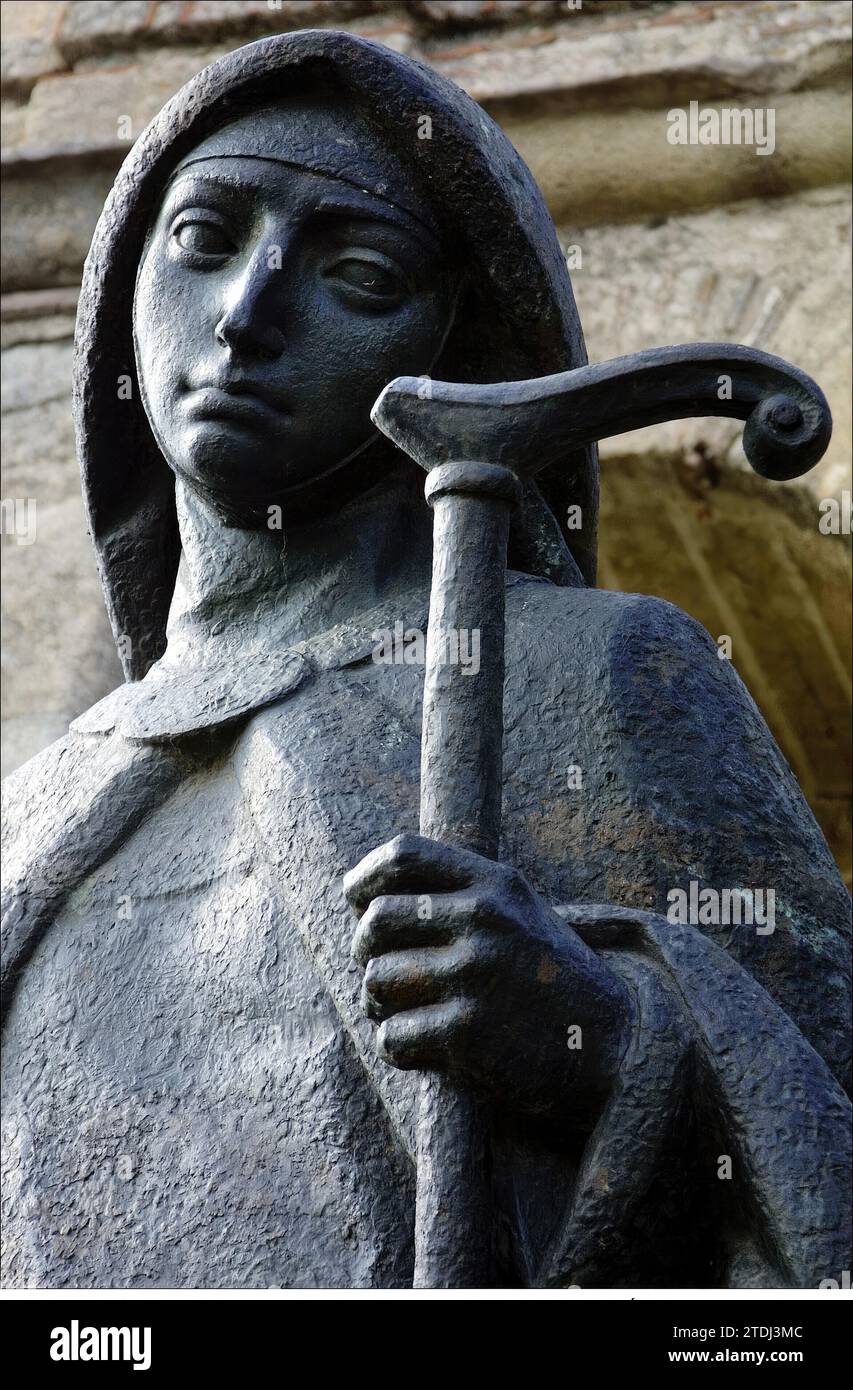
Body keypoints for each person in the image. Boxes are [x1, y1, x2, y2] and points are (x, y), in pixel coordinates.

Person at [2, 30, 849, 1290]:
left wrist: (601, 1039)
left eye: (359, 273)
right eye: (202, 238)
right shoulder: (31, 820)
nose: (246, 314)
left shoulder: (593, 673)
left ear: (456, 342)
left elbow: (821, 1147)